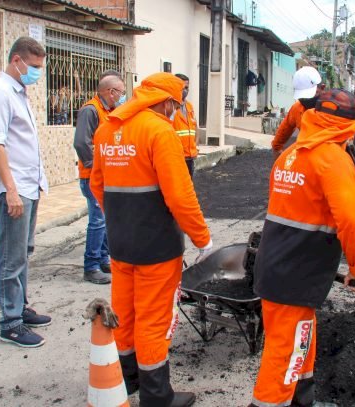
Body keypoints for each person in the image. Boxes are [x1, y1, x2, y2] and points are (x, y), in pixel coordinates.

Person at [90, 72, 213, 407]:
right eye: (176, 103)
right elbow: (181, 197)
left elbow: (96, 185)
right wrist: (202, 239)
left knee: (126, 314)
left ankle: (126, 379)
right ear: (167, 101)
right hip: (156, 247)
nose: (176, 109)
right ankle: (157, 395)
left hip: (120, 242)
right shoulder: (160, 131)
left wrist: (121, 217)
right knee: (153, 320)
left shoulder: (107, 129)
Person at [249, 89, 355, 407]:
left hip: (278, 264)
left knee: (301, 334)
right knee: (283, 349)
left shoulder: (291, 154)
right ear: (349, 127)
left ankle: (303, 399)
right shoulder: (333, 159)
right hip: (297, 271)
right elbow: (352, 220)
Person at [0, 36, 51, 348]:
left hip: (28, 185)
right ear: (16, 60)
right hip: (14, 188)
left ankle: (20, 308)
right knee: (11, 257)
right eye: (34, 66)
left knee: (23, 253)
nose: (37, 73)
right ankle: (10, 323)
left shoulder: (18, 93)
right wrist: (10, 190)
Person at [73, 70, 126, 284]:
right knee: (97, 221)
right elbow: (81, 143)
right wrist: (95, 168)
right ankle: (91, 266)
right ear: (111, 92)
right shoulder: (90, 110)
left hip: (106, 177)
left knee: (106, 221)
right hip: (92, 177)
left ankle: (104, 260)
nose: (123, 96)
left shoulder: (109, 111)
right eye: (122, 92)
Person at [271, 66, 325, 158]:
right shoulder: (297, 108)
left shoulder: (333, 108)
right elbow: (284, 130)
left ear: (323, 88)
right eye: (304, 96)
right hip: (305, 156)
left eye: (311, 94)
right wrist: (277, 148)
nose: (308, 99)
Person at [173, 73, 198, 178]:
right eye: (182, 87)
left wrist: (195, 146)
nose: (185, 90)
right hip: (176, 158)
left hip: (190, 157)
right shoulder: (170, 107)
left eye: (187, 87)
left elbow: (195, 128)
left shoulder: (189, 106)